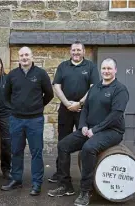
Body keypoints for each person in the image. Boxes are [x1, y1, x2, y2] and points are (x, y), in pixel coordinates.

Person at [48, 58, 129, 206]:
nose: (106, 71)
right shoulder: (95, 87)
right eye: (104, 68)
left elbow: (115, 115)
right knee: (63, 145)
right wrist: (83, 125)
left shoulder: (120, 89)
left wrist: (95, 129)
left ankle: (86, 191)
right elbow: (85, 108)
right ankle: (66, 185)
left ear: (115, 70)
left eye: (109, 68)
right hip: (90, 129)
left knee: (88, 148)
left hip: (112, 131)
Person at [1, 46, 54, 196]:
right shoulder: (12, 75)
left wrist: (38, 106)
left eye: (27, 55)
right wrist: (14, 109)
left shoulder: (41, 74)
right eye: (22, 55)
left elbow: (49, 94)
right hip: (16, 120)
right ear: (19, 58)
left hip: (34, 120)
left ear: (32, 57)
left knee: (36, 152)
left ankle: (36, 183)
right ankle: (16, 180)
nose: (24, 57)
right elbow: (6, 96)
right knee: (16, 151)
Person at [49, 41, 99, 183]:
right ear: (70, 52)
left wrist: (79, 103)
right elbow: (57, 86)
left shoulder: (90, 66)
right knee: (63, 141)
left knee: (87, 141)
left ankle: (89, 174)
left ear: (83, 52)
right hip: (65, 110)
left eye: (79, 50)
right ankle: (61, 173)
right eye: (73, 50)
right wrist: (67, 104)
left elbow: (93, 87)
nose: (76, 53)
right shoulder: (63, 66)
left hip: (84, 110)